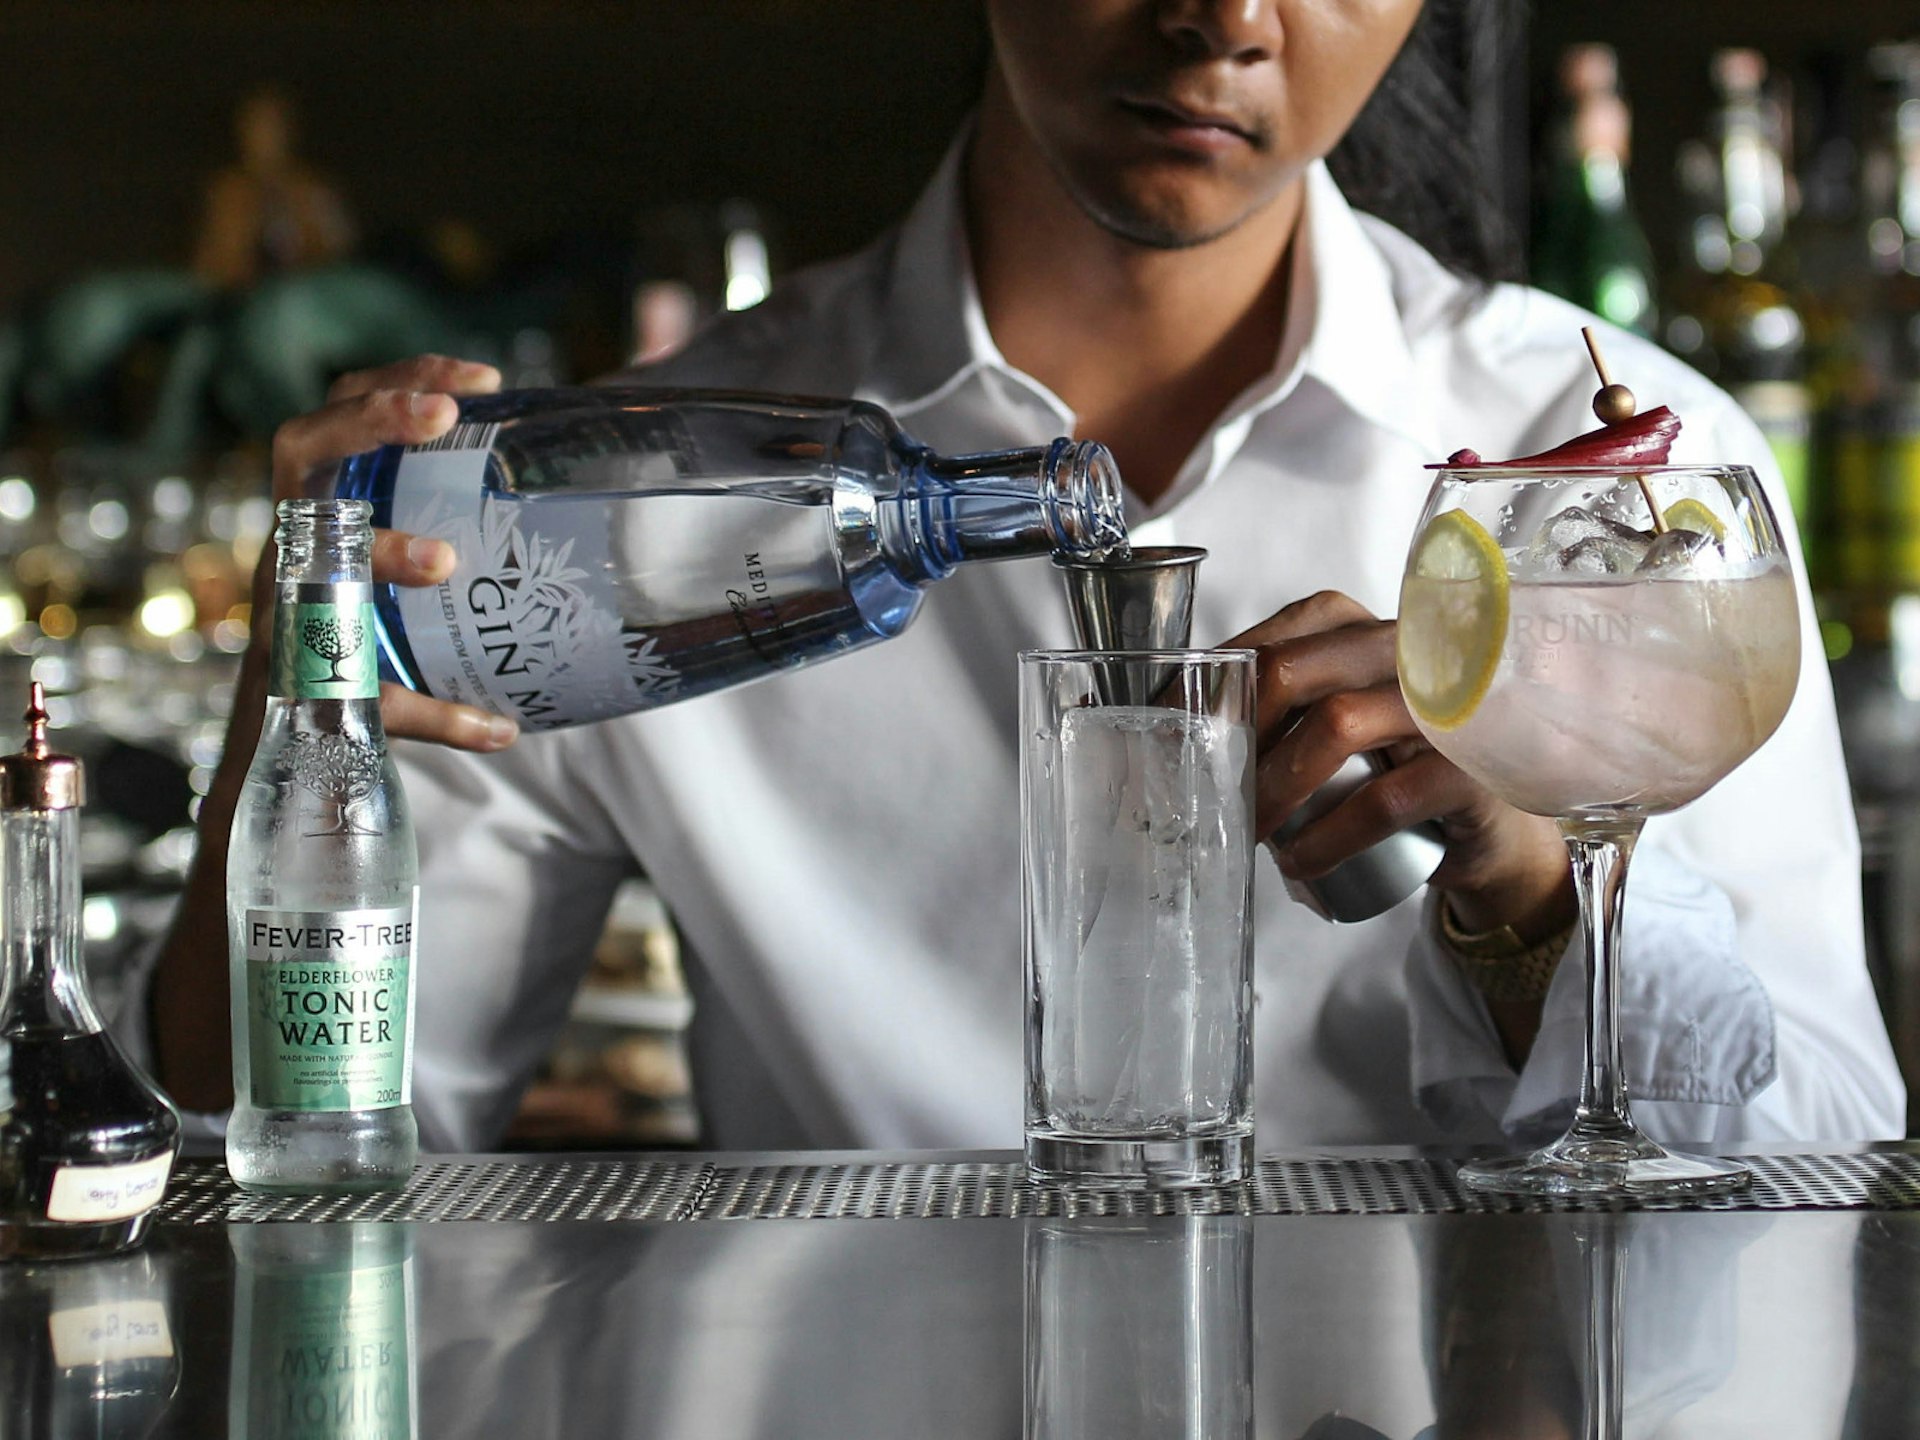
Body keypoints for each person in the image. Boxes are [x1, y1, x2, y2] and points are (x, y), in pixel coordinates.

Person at [147, 0, 1903, 1153]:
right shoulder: (603, 511)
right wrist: (291, 707)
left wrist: (1534, 900)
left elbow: (1831, 1171)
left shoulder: (1618, 467)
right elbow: (278, 1152)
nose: (1225, 18)